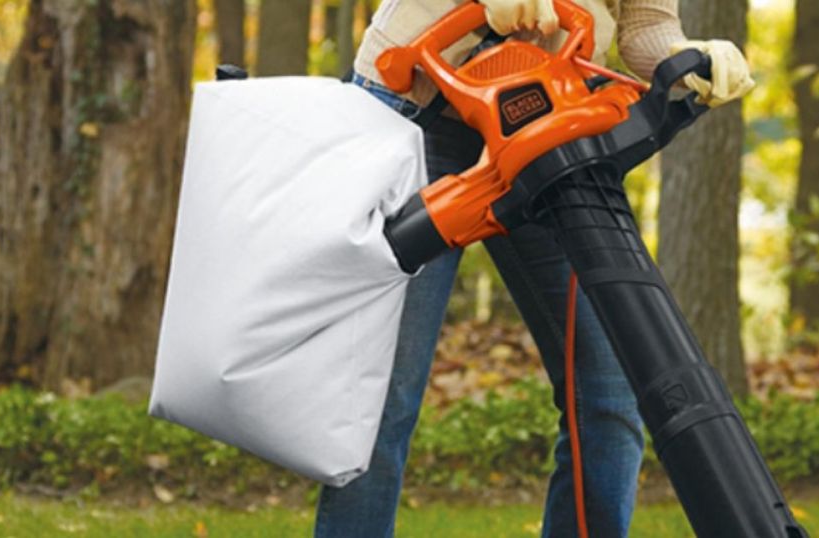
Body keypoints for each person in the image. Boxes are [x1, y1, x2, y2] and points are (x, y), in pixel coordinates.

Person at [315, 1, 754, 537]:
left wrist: (690, 58)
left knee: (610, 391)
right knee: (384, 395)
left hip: (547, 128)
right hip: (418, 110)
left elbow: (645, 25)